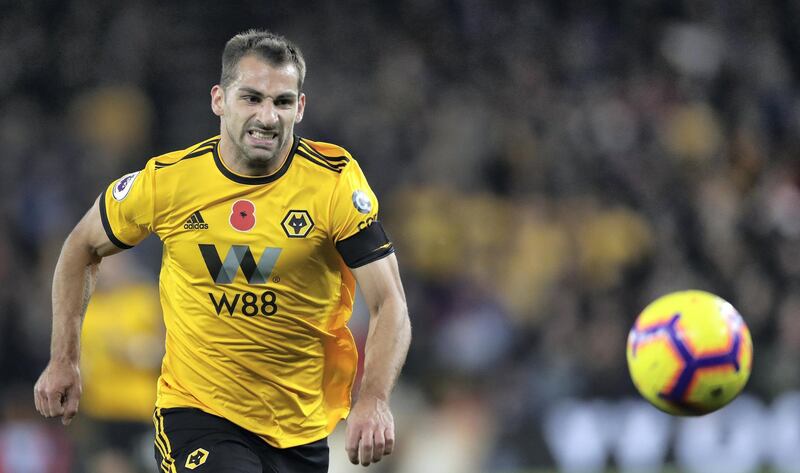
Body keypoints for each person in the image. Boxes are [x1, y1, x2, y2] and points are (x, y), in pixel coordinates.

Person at [33, 29, 411, 473]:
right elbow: (80, 246)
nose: (268, 117)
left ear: (301, 108)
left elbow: (390, 303)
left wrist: (375, 398)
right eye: (251, 98)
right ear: (219, 99)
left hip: (301, 430)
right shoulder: (169, 182)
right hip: (196, 415)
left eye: (283, 102)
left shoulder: (333, 185)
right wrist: (64, 358)